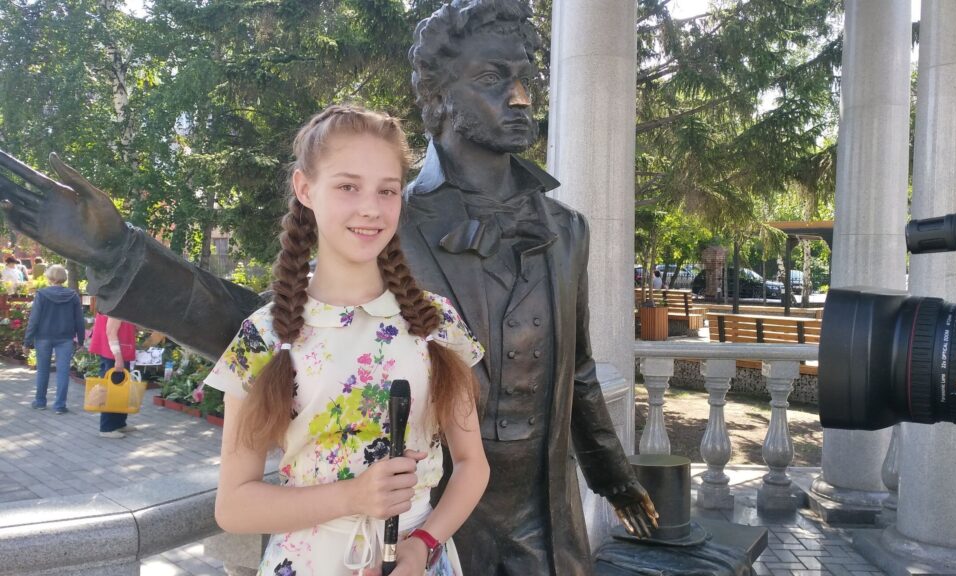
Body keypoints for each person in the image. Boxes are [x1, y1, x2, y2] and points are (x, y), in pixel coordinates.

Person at [0, 1, 656, 572]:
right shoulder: (384, 219)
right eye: (493, 78)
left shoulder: (565, 228)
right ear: (438, 96)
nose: (521, 98)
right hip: (418, 530)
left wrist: (611, 474)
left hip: (546, 521)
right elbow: (276, 327)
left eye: (527, 78)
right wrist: (120, 254)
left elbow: (577, 371)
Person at [206, 105, 489, 575]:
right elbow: (233, 506)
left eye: (387, 190)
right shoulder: (264, 335)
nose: (371, 208)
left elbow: (472, 464)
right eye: (348, 187)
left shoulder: (435, 322)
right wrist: (353, 496)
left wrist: (423, 546)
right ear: (305, 189)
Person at [23, 264, 85, 413]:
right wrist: (81, 340)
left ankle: (40, 402)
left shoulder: (42, 294)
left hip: (43, 337)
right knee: (63, 372)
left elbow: (34, 320)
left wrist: (27, 342)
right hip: (65, 338)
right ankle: (60, 406)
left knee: (43, 370)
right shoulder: (73, 295)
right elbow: (79, 320)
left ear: (50, 277)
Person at [88, 312, 138, 438]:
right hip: (113, 354)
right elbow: (111, 332)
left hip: (118, 351)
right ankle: (107, 428)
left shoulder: (119, 305)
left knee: (121, 389)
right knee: (111, 391)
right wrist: (118, 358)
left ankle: (119, 423)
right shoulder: (117, 308)